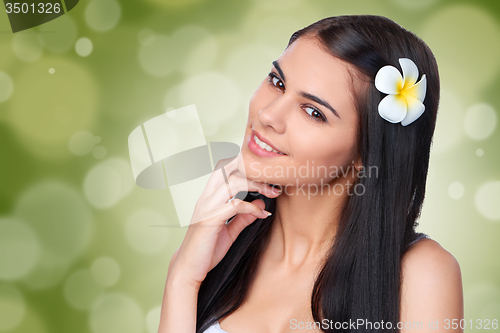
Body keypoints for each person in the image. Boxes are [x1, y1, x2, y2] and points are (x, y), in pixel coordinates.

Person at [157, 15, 464, 333]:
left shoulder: (420, 276)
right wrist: (182, 278)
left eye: (313, 112)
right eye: (277, 82)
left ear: (365, 153)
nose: (267, 115)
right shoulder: (217, 250)